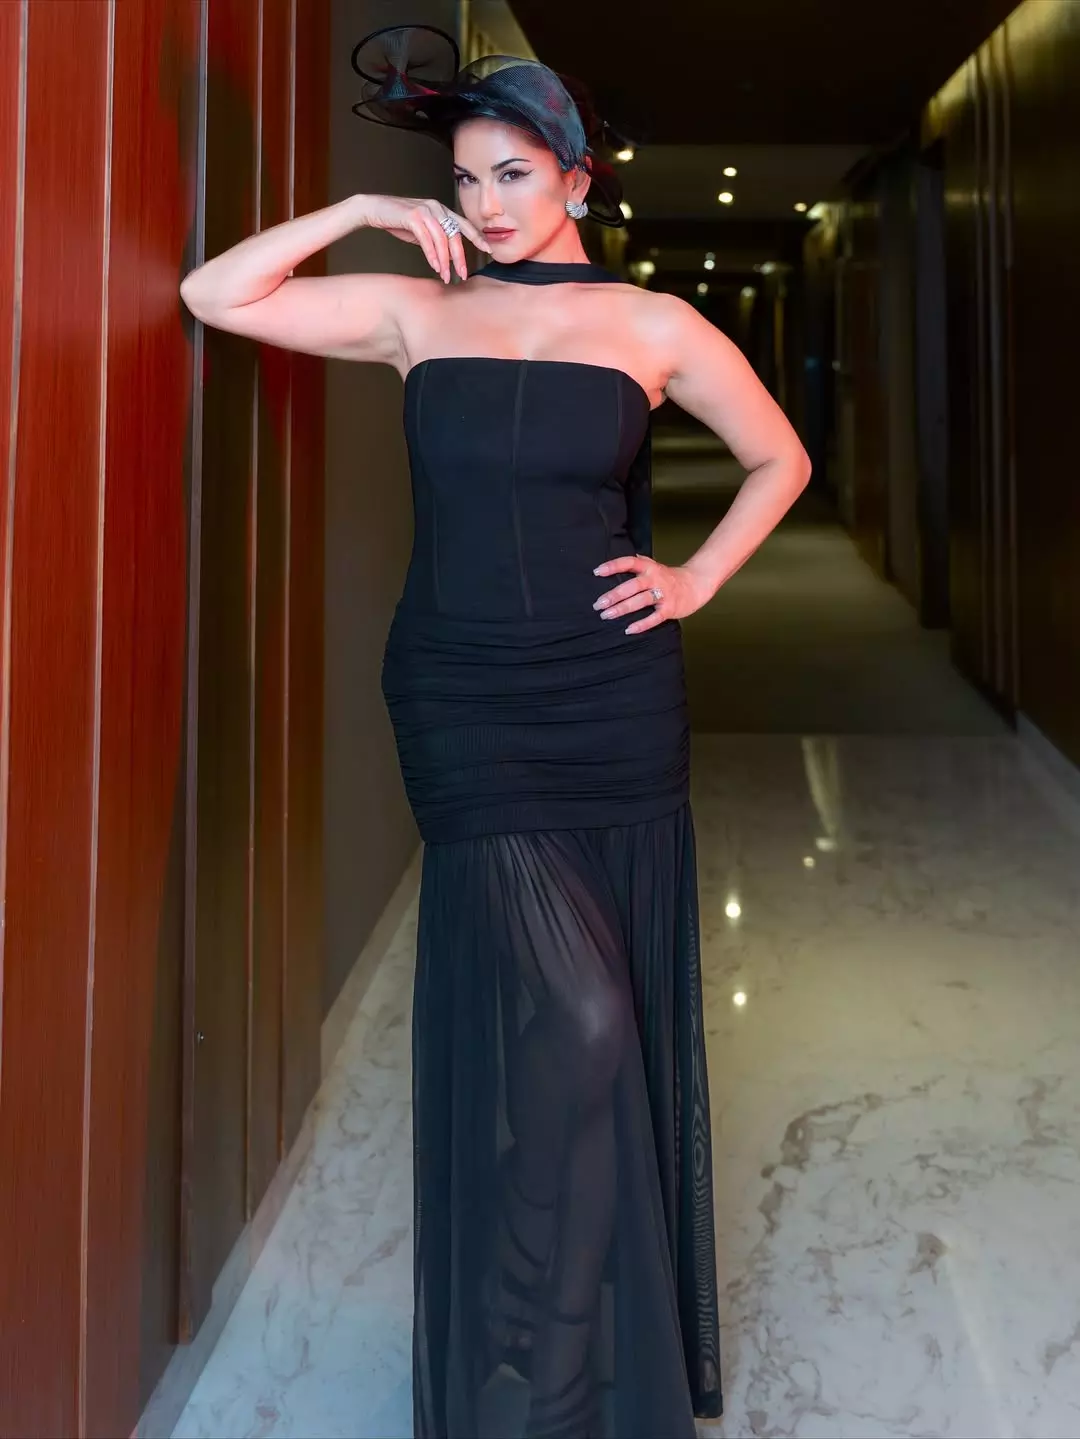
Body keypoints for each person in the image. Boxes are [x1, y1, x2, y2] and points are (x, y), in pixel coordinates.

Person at [180, 23, 810, 1438]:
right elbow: (213, 294)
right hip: (464, 697)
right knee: (579, 1018)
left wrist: (696, 579)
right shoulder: (417, 312)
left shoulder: (654, 326)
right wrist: (359, 208)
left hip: (612, 698)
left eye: (514, 173)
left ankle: (564, 1355)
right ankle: (534, 1350)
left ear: (577, 178)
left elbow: (780, 455)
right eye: (465, 178)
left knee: (594, 1036)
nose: (487, 203)